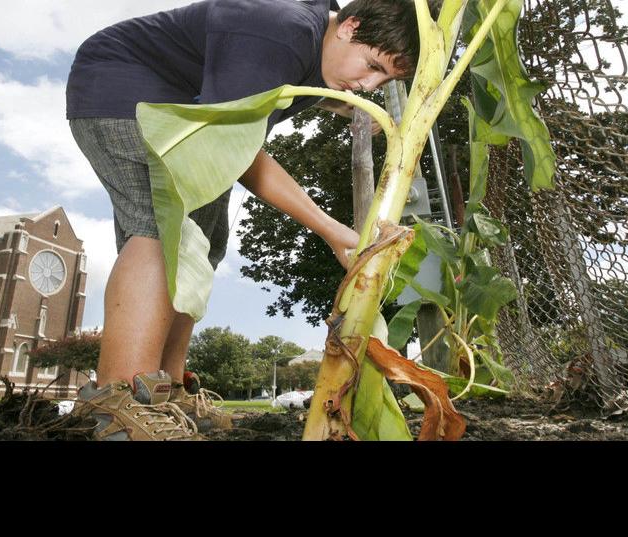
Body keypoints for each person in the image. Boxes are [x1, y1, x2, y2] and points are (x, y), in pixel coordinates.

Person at [66, 0, 426, 440]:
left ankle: (169, 388)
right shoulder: (279, 34)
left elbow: (259, 116)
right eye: (372, 66)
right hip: (124, 93)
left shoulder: (322, 54)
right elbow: (238, 152)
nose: (369, 85)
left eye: (385, 78)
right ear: (349, 26)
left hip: (182, 108)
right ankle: (120, 397)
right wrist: (330, 229)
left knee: (204, 240)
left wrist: (351, 111)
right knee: (162, 228)